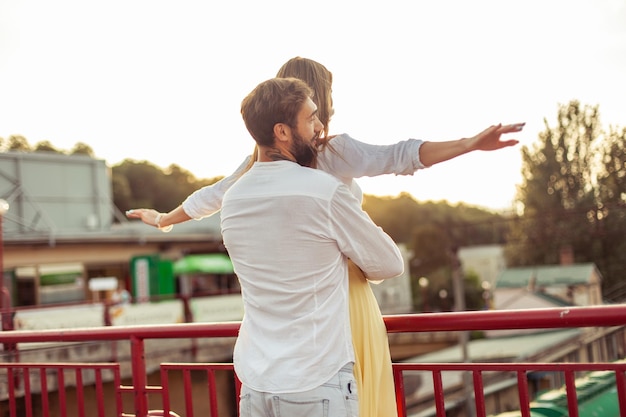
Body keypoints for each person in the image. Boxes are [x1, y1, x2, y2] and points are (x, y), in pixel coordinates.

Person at [126, 57, 524, 417]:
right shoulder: (332, 155)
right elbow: (402, 156)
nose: (318, 120)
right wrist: (469, 144)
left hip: (282, 334)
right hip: (339, 295)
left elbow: (213, 197)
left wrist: (165, 220)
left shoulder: (255, 171)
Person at [225, 76, 404, 417]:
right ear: (282, 131)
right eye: (310, 118)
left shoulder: (233, 200)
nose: (320, 127)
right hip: (316, 379)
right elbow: (389, 264)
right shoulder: (323, 191)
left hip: (256, 384)